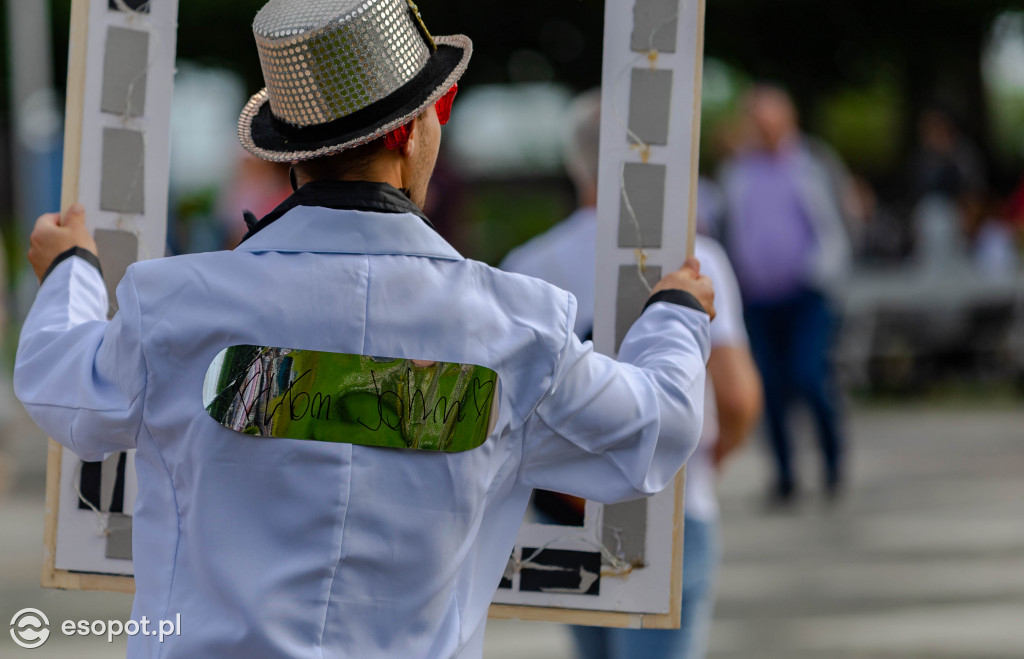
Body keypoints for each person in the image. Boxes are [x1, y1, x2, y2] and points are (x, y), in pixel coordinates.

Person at [14, 1, 716, 657]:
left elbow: (60, 383)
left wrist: (71, 269)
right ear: (411, 130)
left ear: (289, 149)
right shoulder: (518, 327)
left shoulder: (173, 305)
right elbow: (657, 428)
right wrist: (676, 314)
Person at [502, 92, 762, 659]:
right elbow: (738, 398)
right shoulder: (695, 261)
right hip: (672, 509)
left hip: (560, 514)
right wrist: (709, 461)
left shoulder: (525, 269)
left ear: (576, 162)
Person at [719, 84, 851, 504]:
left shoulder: (813, 161)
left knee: (808, 376)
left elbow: (841, 221)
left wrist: (821, 272)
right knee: (769, 388)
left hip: (806, 295)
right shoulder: (738, 171)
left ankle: (832, 462)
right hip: (757, 297)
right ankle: (785, 475)